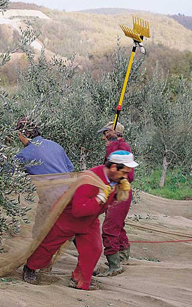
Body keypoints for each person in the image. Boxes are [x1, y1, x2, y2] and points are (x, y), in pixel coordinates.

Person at [22, 151, 138, 290]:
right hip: (68, 218)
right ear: (114, 167)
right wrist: (98, 199)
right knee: (48, 245)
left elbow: (107, 201)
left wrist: (119, 194)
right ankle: (30, 268)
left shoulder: (115, 180)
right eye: (124, 172)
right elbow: (78, 210)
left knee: (94, 249)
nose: (126, 176)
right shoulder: (89, 179)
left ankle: (79, 280)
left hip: (90, 220)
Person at [95, 121, 135, 276]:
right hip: (116, 192)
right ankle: (123, 256)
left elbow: (128, 175)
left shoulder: (122, 148)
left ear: (111, 133)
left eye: (105, 134)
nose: (103, 138)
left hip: (120, 192)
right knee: (117, 226)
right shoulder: (119, 146)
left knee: (109, 228)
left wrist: (112, 143)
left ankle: (114, 265)